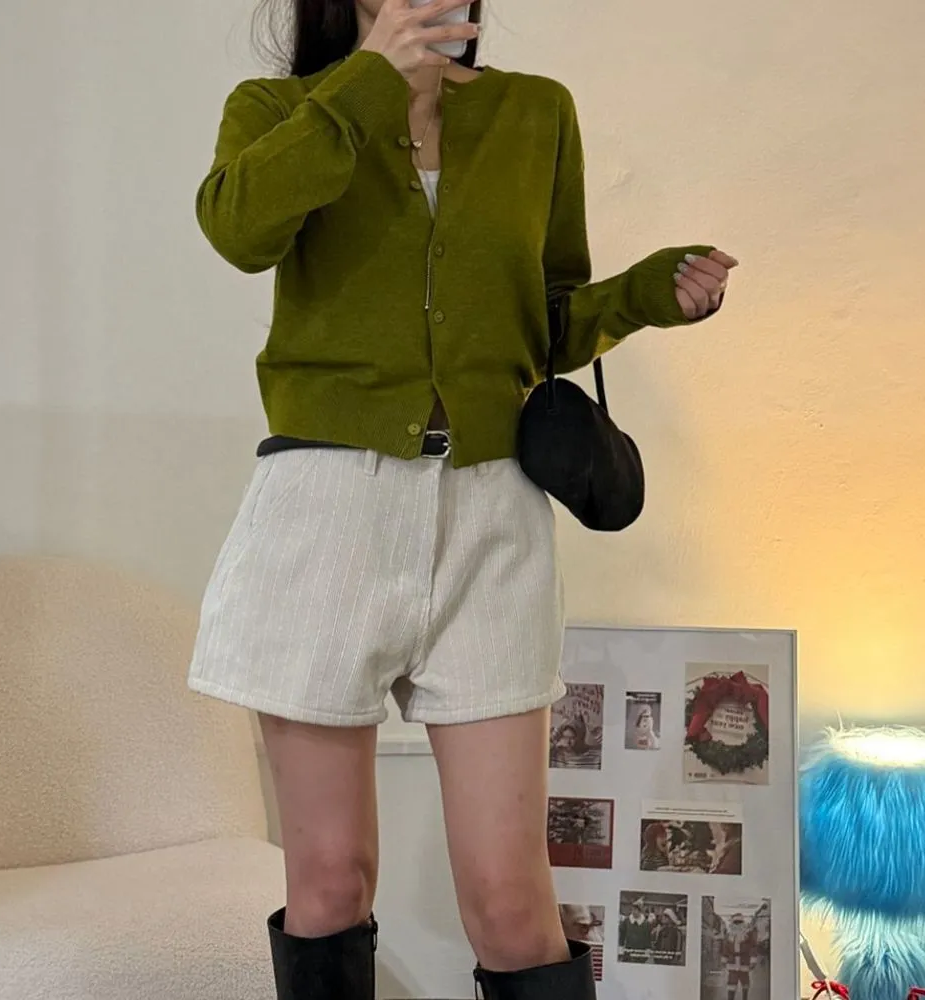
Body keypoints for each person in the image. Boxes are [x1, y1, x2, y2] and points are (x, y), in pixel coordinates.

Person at [188, 0, 738, 997]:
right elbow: (238, 229)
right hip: (326, 511)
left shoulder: (535, 113)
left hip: (491, 516)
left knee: (512, 901)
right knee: (328, 879)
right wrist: (367, 81)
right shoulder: (279, 108)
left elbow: (546, 319)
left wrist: (645, 295)